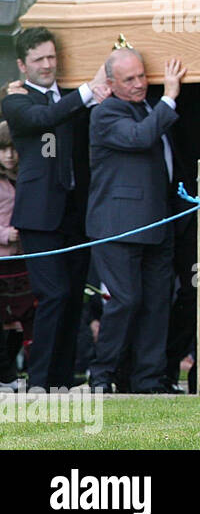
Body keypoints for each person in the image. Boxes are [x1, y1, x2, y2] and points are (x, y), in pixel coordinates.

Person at [2, 27, 109, 390]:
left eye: (51, 57)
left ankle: (62, 380)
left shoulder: (72, 97)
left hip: (75, 213)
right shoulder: (17, 101)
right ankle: (40, 380)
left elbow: (75, 115)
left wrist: (92, 93)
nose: (48, 65)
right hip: (38, 216)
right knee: (53, 294)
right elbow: (43, 121)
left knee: (72, 297)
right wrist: (87, 90)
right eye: (39, 59)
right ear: (22, 65)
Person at [85, 49, 184, 393]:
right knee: (125, 300)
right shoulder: (107, 111)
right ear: (111, 84)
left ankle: (148, 378)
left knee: (157, 303)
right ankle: (102, 374)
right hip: (120, 225)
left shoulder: (146, 106)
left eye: (143, 76)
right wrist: (169, 99)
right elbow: (139, 137)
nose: (140, 84)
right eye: (130, 79)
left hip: (158, 221)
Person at [0, 121, 34, 391]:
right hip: (1, 260)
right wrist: (3, 234)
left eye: (13, 148)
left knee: (20, 320)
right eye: (3, 150)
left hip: (21, 261)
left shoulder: (28, 177)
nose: (9, 155)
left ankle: (11, 374)